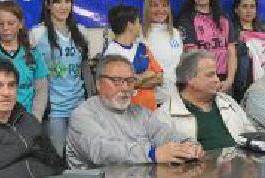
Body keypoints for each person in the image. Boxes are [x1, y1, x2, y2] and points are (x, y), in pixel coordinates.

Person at [66, 54, 204, 168]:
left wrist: (187, 144)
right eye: (117, 81)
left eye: (130, 81)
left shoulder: (141, 113)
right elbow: (101, 152)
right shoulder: (82, 115)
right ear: (98, 84)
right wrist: (152, 154)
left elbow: (164, 133)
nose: (125, 87)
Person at [29, 0, 90, 154]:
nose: (63, 6)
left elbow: (84, 70)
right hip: (53, 109)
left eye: (67, 1)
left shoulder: (81, 32)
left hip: (79, 105)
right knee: (56, 157)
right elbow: (33, 72)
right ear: (48, 5)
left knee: (81, 155)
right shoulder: (37, 33)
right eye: (57, 2)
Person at [155, 49, 256, 149]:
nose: (217, 80)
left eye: (216, 74)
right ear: (189, 79)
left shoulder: (228, 102)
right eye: (210, 75)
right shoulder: (165, 115)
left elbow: (253, 136)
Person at [0, 1, 49, 119]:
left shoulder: (33, 52)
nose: (5, 28)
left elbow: (41, 89)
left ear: (20, 24)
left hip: (27, 118)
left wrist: (35, 118)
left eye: (11, 23)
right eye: (1, 24)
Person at [176, 0, 237, 93]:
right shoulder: (185, 18)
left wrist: (229, 80)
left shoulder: (223, 18)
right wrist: (208, 79)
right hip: (200, 80)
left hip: (224, 81)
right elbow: (192, 54)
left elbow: (231, 51)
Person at [102, 4, 163, 111]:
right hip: (126, 112)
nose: (140, 25)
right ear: (130, 25)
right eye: (138, 22)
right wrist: (146, 76)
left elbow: (159, 77)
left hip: (149, 111)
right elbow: (119, 86)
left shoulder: (142, 48)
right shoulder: (112, 53)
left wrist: (136, 80)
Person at [142, 0, 184, 106]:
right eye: (155, 5)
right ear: (147, 9)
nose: (161, 10)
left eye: (164, 5)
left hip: (176, 98)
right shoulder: (140, 35)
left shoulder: (175, 33)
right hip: (152, 100)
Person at [230, 0, 265, 102]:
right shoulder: (230, 30)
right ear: (236, 10)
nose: (249, 11)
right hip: (239, 84)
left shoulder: (263, 31)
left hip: (260, 85)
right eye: (244, 6)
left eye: (252, 7)